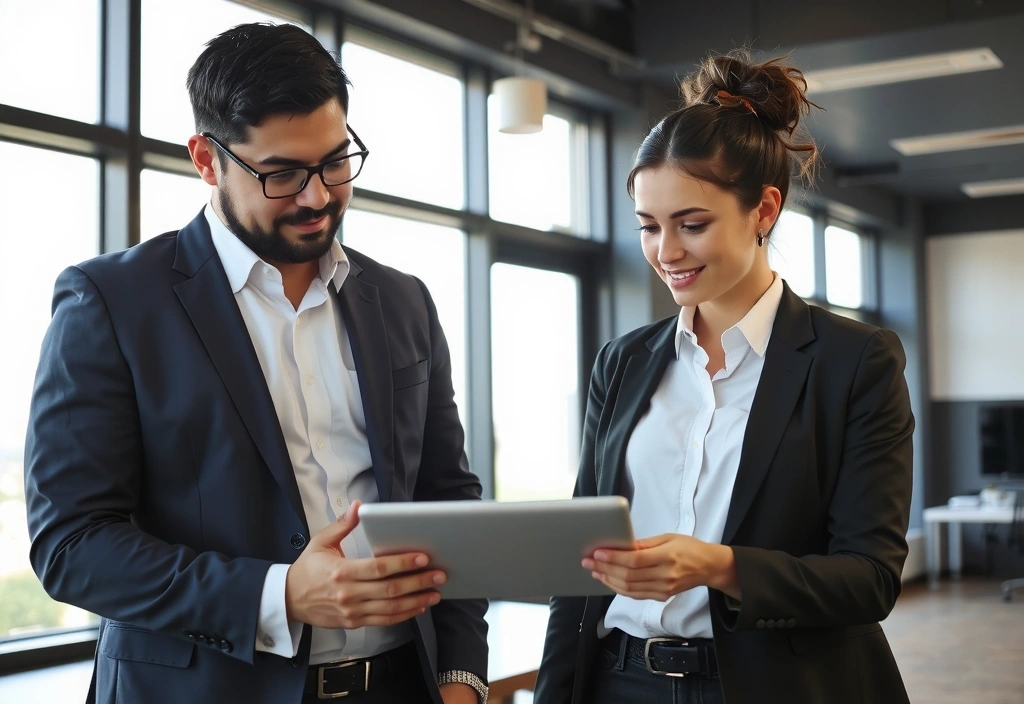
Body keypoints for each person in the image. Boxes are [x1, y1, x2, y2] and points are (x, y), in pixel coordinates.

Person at [24, 22, 487, 704]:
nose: (317, 196)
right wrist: (278, 594)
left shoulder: (403, 301)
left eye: (335, 161)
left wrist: (460, 676)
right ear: (206, 161)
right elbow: (72, 544)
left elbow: (447, 501)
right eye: (281, 174)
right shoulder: (113, 303)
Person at [533, 49, 914, 704]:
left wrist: (719, 566)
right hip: (620, 682)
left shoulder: (856, 361)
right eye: (649, 227)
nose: (666, 252)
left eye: (693, 224)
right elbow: (582, 567)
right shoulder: (622, 362)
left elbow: (869, 578)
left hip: (772, 686)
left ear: (764, 210)